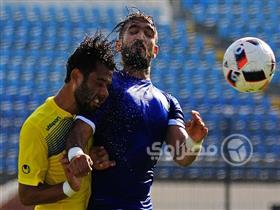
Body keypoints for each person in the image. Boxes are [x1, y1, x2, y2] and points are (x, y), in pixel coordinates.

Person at [66, 11, 208, 210]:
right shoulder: (106, 85)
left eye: (148, 34)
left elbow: (183, 157)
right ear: (118, 45)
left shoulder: (168, 102)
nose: (141, 36)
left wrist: (195, 141)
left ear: (155, 50)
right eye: (133, 31)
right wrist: (78, 154)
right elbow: (78, 131)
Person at [18, 32, 116, 210]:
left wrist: (92, 159)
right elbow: (26, 194)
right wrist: (69, 187)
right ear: (76, 76)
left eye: (107, 86)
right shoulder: (37, 125)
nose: (105, 93)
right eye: (99, 83)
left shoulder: (86, 117)